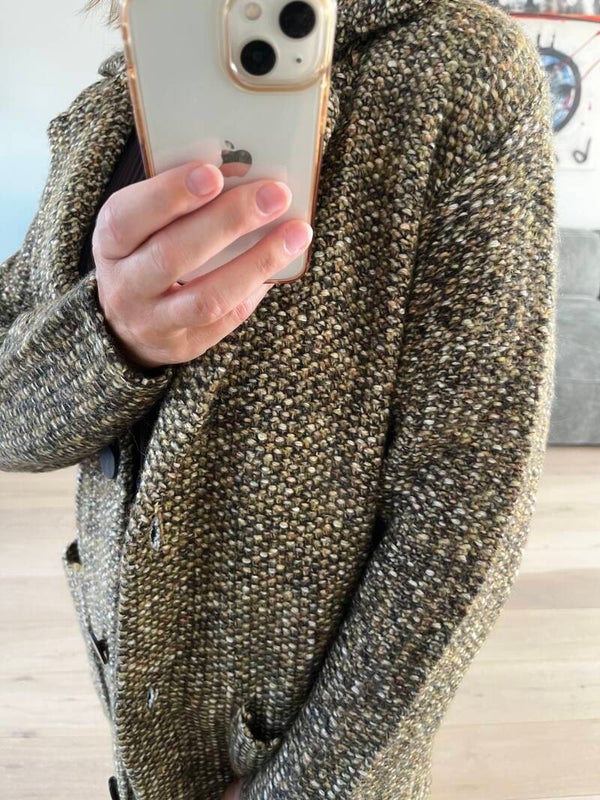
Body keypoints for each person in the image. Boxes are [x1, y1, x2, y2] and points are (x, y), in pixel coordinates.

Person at [0, 0, 558, 798]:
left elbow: (468, 503)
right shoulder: (104, 114)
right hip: (139, 729)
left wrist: (306, 786)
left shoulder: (460, 69)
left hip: (315, 762)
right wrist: (112, 336)